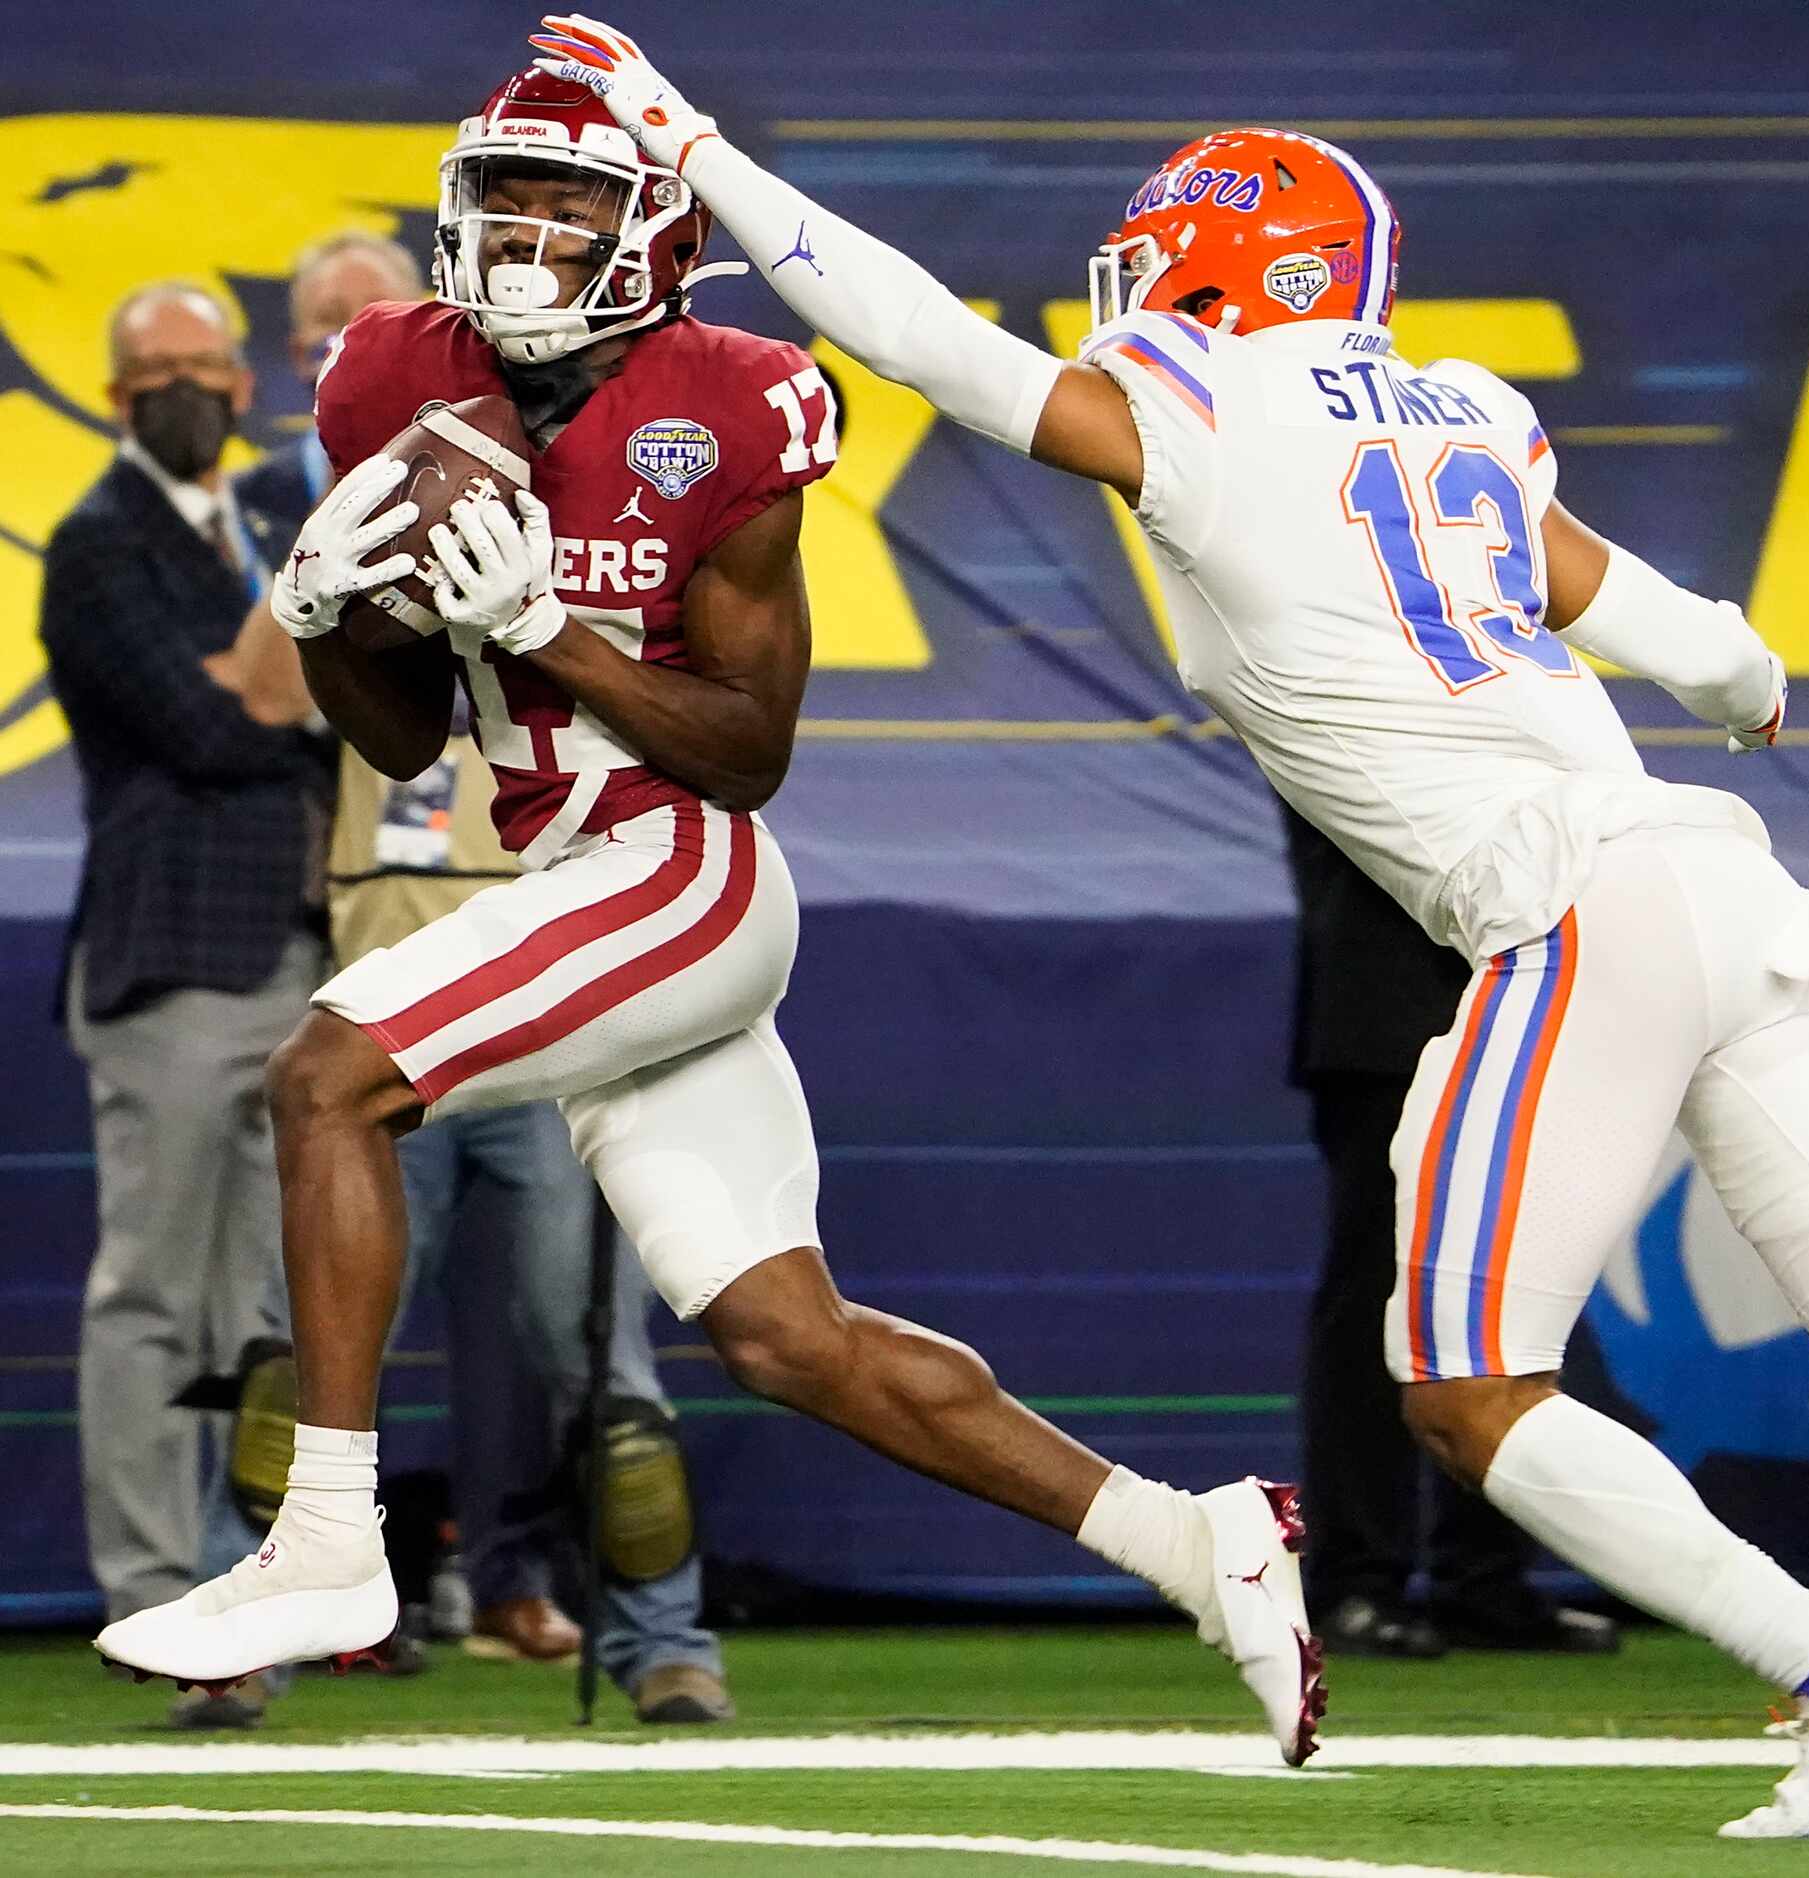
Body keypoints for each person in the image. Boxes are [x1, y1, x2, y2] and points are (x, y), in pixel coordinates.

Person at [501, 16, 1809, 1836]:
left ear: (1233, 262)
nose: (1133, 288)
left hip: (1566, 902)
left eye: (1162, 256)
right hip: (1722, 876)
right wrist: (1752, 684)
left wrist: (708, 154)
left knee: (1462, 1387)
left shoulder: (1205, 409)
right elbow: (1696, 638)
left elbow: (911, 331)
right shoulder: (1470, 410)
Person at [95, 58, 1322, 1768]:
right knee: (782, 1334)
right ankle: (1195, 1538)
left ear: (652, 221)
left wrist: (550, 630)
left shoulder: (731, 398)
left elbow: (747, 753)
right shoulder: (393, 372)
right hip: (564, 868)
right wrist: (322, 619)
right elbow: (402, 732)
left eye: (570, 197)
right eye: (504, 194)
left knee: (326, 1076)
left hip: (679, 867)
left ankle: (330, 1540)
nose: (527, 229)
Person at [223, 226, 732, 1722]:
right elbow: (269, 694)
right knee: (290, 1350)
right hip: (380, 961)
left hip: (550, 965)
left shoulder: (597, 493)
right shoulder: (304, 501)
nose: (343, 360)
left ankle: (664, 1640)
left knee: (602, 1367)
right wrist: (352, 522)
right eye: (321, 338)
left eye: (362, 331)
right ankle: (245, 1634)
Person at [39, 282, 327, 1728]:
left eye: (201, 367)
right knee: (154, 1295)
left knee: (260, 1307)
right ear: (113, 392)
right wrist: (280, 686)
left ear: (237, 382)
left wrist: (269, 683)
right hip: (171, 959)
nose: (180, 390)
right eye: (149, 370)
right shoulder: (95, 545)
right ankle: (152, 1598)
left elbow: (318, 700)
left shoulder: (265, 527)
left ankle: (239, 1594)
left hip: (302, 950)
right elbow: (211, 724)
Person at [1284, 804, 1616, 1659]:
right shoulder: (1327, 681)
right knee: (1377, 1304)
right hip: (1391, 1013)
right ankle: (1354, 1581)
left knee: (1518, 1295)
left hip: (1523, 1011)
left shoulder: (1524, 684)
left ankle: (1486, 1578)